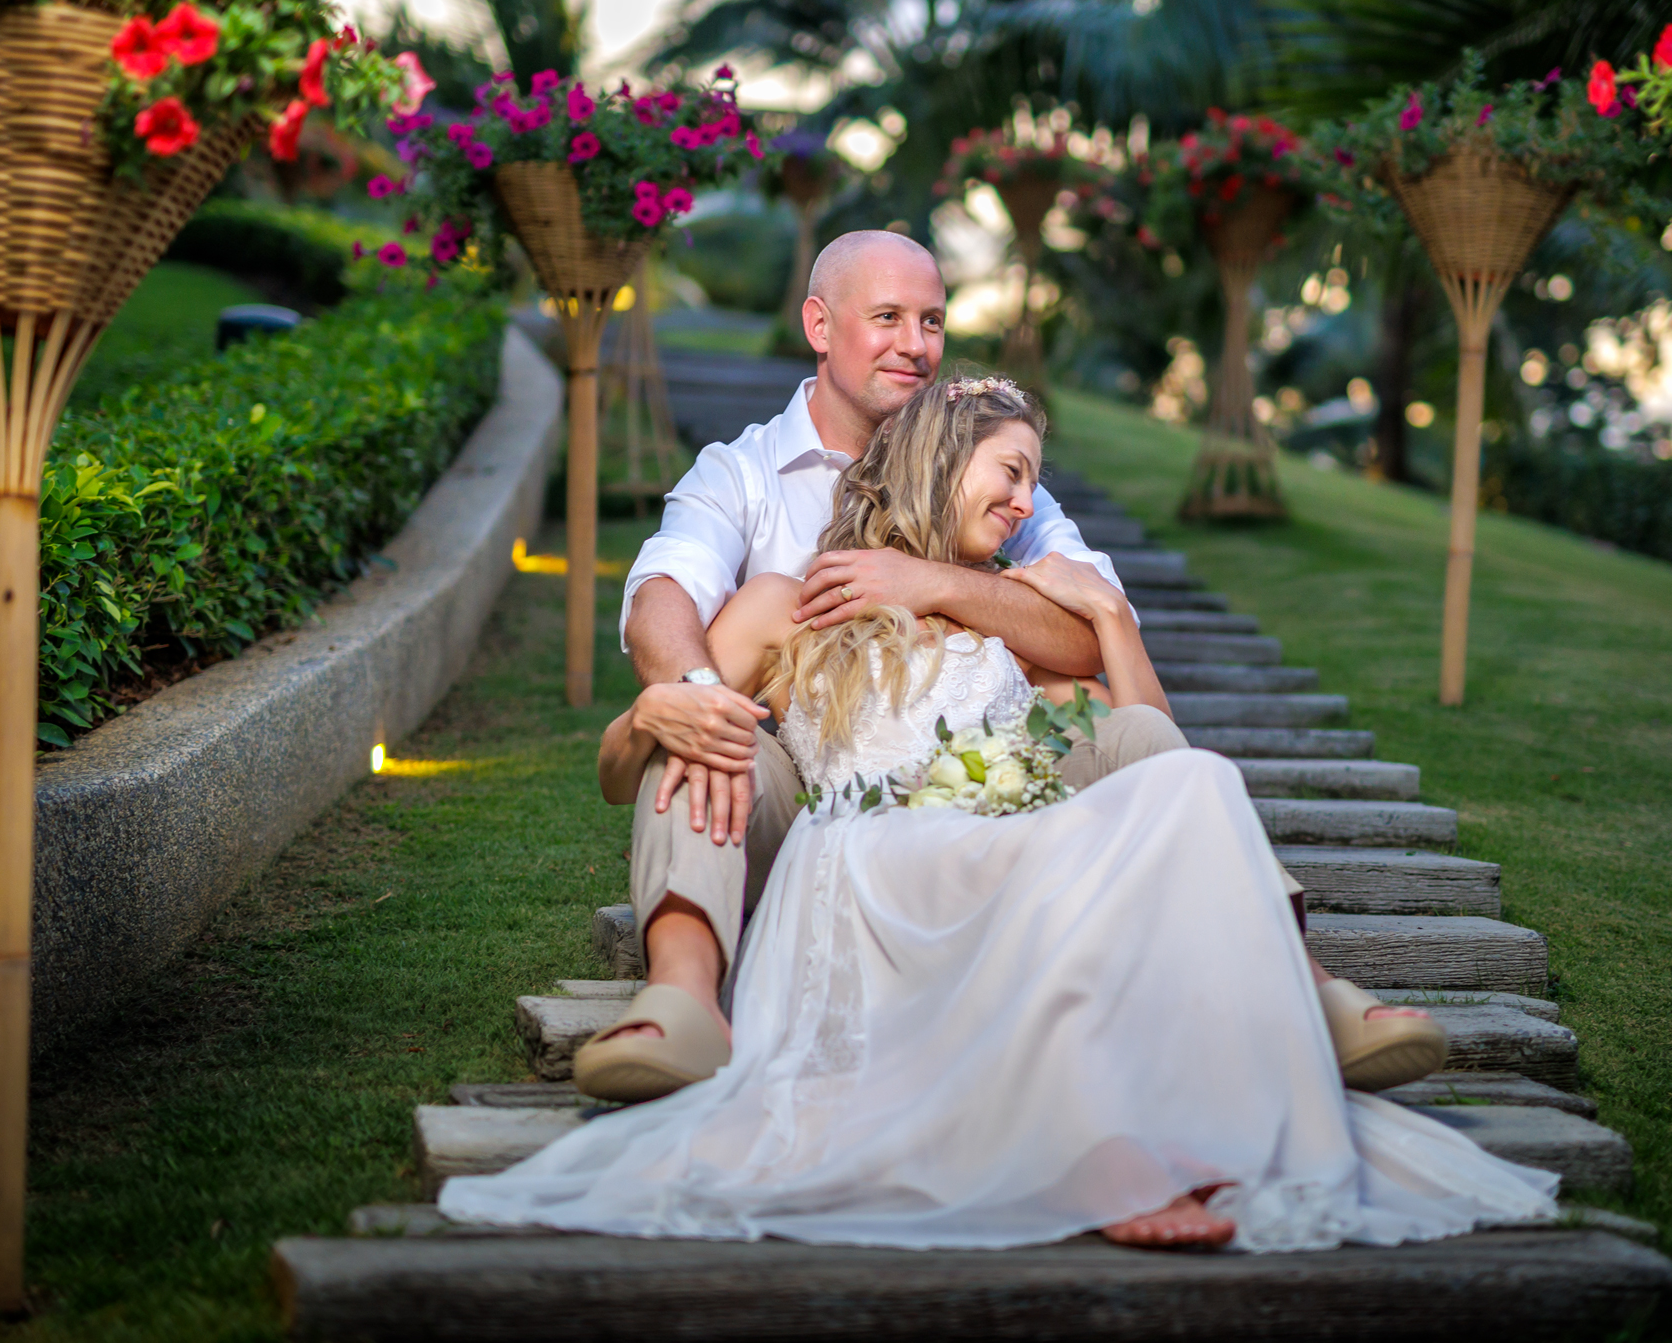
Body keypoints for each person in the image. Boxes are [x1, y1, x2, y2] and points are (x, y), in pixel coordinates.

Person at [441, 375, 1555, 1250]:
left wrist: (1111, 624)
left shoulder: (1014, 617)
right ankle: (698, 1006)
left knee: (1189, 781)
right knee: (721, 756)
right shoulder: (791, 601)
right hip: (868, 861)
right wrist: (658, 715)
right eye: (1011, 472)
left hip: (1002, 848)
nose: (1027, 503)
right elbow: (618, 764)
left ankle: (1211, 1068)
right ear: (938, 457)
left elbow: (1156, 753)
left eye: (1032, 480)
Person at [583, 230, 1437, 1108]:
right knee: (702, 732)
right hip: (802, 782)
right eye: (887, 318)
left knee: (1135, 730)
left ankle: (1302, 981)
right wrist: (678, 700)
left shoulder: (994, 482)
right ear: (819, 323)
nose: (915, 344)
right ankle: (683, 996)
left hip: (981, 795)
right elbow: (662, 595)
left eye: (932, 322)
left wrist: (933, 584)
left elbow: (1097, 633)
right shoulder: (746, 478)